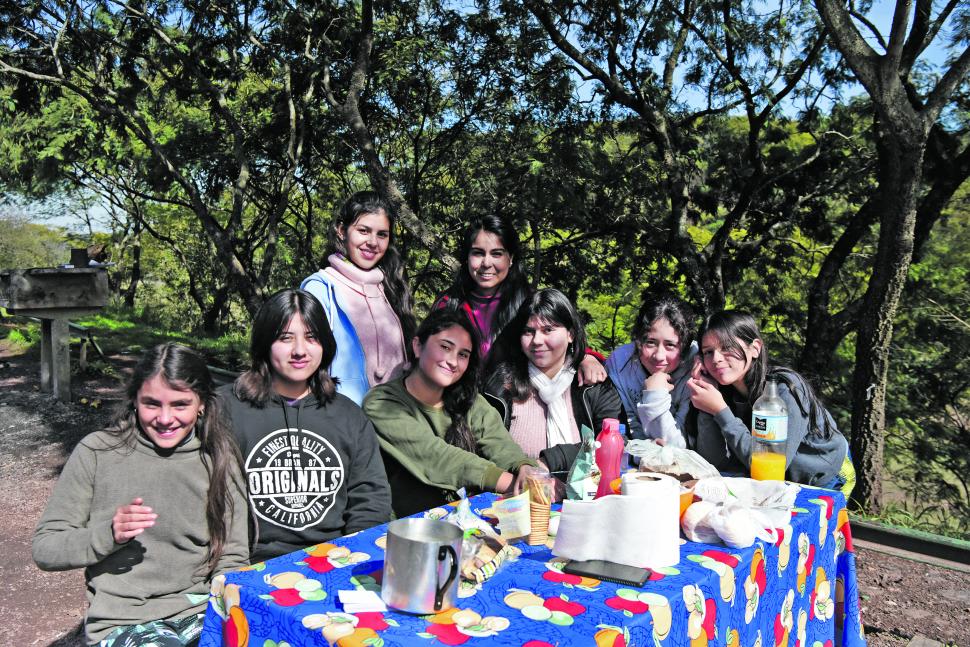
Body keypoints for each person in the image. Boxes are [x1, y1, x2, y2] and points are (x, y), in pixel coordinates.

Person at [33, 343, 248, 646]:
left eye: (179, 405)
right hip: (125, 619)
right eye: (151, 404)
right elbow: (45, 548)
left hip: (201, 609)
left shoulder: (220, 456)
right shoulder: (97, 452)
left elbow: (233, 554)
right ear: (134, 399)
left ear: (201, 403)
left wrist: (229, 603)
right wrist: (107, 534)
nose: (164, 418)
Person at [222, 288, 391, 562]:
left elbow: (370, 500)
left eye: (311, 338)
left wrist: (354, 559)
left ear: (325, 345)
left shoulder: (349, 416)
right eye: (285, 338)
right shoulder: (227, 408)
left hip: (333, 560)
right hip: (248, 563)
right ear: (265, 342)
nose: (300, 351)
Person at [363, 309, 541, 517]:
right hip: (406, 527)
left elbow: (498, 442)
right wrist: (513, 484)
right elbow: (438, 457)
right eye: (445, 347)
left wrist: (524, 467)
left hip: (467, 521)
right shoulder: (382, 403)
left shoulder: (470, 401)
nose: (453, 361)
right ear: (418, 346)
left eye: (463, 355)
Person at [686, 310, 855, 493]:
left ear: (755, 348)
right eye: (708, 352)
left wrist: (721, 411)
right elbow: (713, 461)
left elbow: (768, 466)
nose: (716, 358)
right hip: (777, 483)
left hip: (826, 477)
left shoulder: (784, 389)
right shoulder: (724, 391)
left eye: (727, 347)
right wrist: (706, 404)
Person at [433, 215, 607, 383]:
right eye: (478, 253)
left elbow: (558, 338)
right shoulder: (448, 303)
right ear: (467, 257)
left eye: (496, 254)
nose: (486, 263)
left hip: (514, 403)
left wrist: (586, 357)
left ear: (511, 258)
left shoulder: (528, 302)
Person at [484, 288, 625, 477]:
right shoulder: (499, 387)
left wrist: (549, 462)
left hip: (584, 497)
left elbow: (613, 444)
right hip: (516, 497)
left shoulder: (594, 385)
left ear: (571, 334)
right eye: (528, 331)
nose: (537, 340)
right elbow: (486, 447)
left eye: (548, 330)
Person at [301, 191, 415, 404]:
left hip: (393, 418)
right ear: (342, 231)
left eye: (382, 234)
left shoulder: (391, 286)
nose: (373, 242)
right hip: (342, 421)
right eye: (364, 231)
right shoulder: (320, 288)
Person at [605, 291, 697, 446]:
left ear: (685, 346)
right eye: (651, 343)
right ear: (638, 340)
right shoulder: (620, 362)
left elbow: (680, 445)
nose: (659, 356)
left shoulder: (696, 365)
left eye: (670, 345)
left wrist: (654, 395)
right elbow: (628, 427)